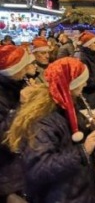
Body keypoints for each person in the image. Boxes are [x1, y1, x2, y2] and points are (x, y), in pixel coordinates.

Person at [6, 57, 95, 203]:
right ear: (70, 85)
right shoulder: (44, 119)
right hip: (60, 196)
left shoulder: (68, 106)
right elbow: (39, 169)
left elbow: (77, 142)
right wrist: (83, 150)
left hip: (79, 190)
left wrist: (94, 131)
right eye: (81, 80)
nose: (85, 84)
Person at [0, 45, 33, 202]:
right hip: (6, 172)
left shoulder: (16, 85)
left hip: (21, 167)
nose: (28, 69)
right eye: (24, 66)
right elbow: (3, 134)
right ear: (14, 70)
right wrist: (22, 106)